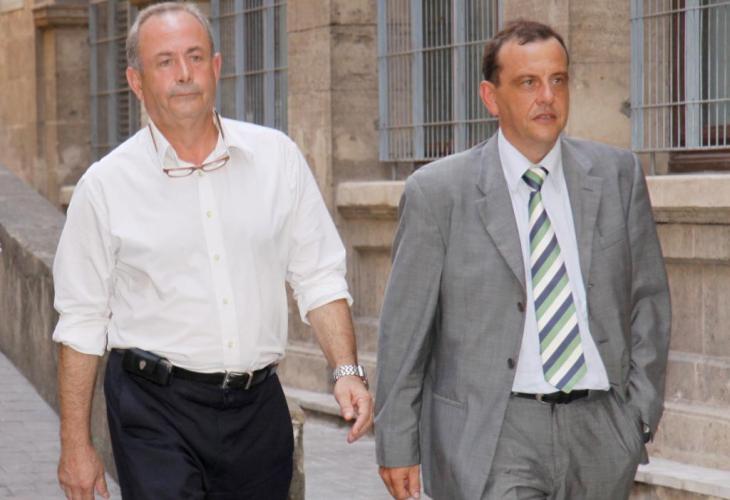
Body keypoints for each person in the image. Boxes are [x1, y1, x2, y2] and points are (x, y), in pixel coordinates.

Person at [53, 3, 372, 499]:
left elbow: (319, 276)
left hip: (257, 408)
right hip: (153, 409)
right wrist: (75, 445)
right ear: (136, 81)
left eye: (195, 57)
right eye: (165, 62)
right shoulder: (105, 186)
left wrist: (346, 371)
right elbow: (81, 320)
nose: (184, 73)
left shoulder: (277, 159)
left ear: (217, 67)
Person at [375, 20, 671, 500]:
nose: (547, 97)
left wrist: (637, 416)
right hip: (494, 434)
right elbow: (405, 332)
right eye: (528, 82)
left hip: (601, 429)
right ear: (490, 98)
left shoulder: (618, 175)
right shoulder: (439, 193)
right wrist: (397, 443)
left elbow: (648, 302)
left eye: (558, 80)